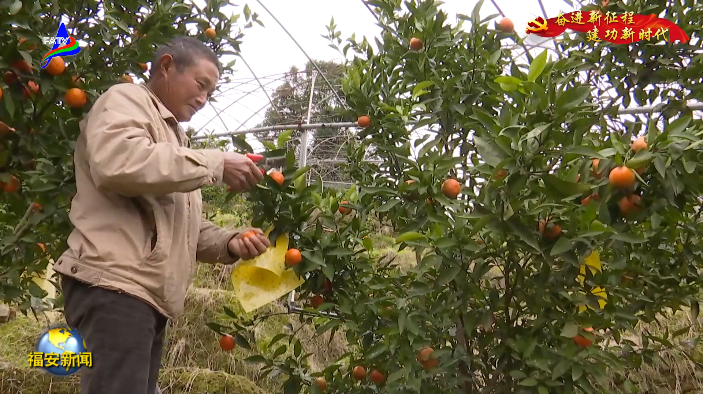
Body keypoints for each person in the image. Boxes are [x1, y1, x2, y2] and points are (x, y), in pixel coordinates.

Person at [53, 36, 271, 394]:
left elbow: (181, 224)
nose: (203, 99)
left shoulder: (176, 142)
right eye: (201, 85)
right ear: (166, 66)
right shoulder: (125, 100)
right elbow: (118, 163)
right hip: (116, 284)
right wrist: (216, 161)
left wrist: (230, 241)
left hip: (145, 295)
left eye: (210, 93)